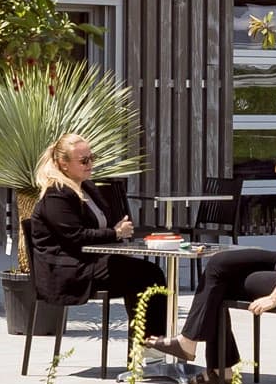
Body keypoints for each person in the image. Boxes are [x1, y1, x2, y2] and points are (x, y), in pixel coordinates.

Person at [151, 134, 276, 384]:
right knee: (220, 263)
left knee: (219, 283)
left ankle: (206, 358)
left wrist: (273, 298)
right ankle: (199, 351)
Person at [20, 134, 169, 349]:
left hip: (89, 262)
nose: (90, 164)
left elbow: (99, 226)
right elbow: (75, 237)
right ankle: (146, 352)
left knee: (147, 274)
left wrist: (118, 232)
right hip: (69, 271)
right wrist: (115, 233)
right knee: (146, 275)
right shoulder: (57, 194)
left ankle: (147, 351)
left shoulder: (87, 188)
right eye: (83, 161)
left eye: (92, 158)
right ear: (63, 164)